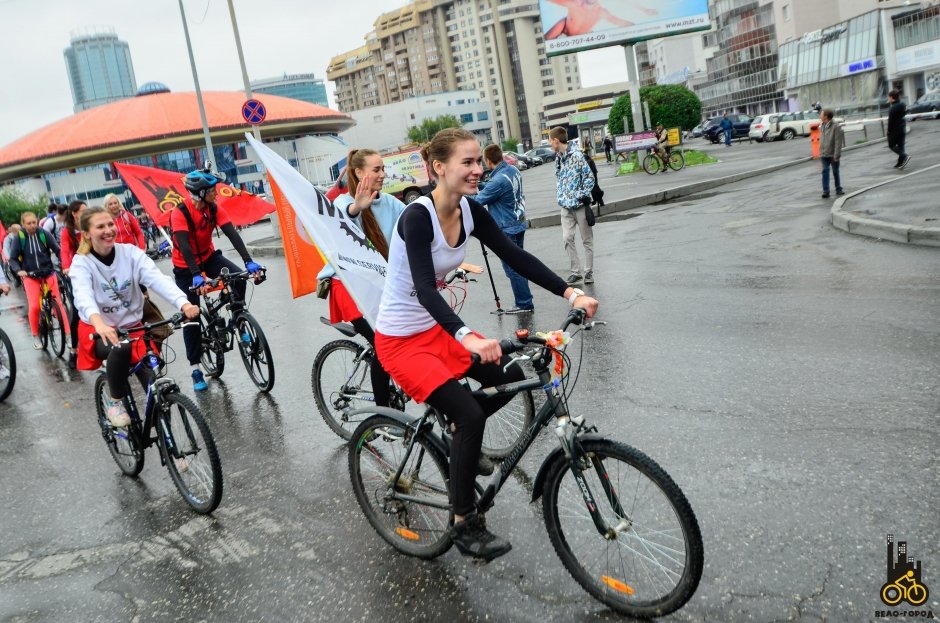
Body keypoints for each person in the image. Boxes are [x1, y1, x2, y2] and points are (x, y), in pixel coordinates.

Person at [373, 127, 599, 561]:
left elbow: (517, 257)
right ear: (439, 167)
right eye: (468, 163)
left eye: (480, 162)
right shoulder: (416, 217)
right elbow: (423, 288)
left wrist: (571, 294)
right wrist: (469, 336)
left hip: (436, 330)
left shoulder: (472, 211)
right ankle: (463, 523)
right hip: (402, 339)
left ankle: (458, 432)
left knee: (509, 377)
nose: (478, 170)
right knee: (470, 410)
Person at [70, 206, 200, 427]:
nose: (108, 230)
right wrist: (99, 322)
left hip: (134, 327)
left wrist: (183, 302)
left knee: (155, 387)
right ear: (87, 234)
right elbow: (83, 295)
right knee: (121, 347)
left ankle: (172, 452)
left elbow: (155, 278)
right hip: (99, 331)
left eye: (110, 224)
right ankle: (115, 402)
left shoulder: (129, 253)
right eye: (100, 226)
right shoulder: (82, 262)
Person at [316, 148, 406, 407]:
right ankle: (383, 414)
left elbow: (416, 222)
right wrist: (358, 207)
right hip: (347, 285)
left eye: (383, 169)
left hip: (377, 282)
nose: (382, 174)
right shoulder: (344, 204)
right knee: (382, 344)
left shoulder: (389, 203)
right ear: (359, 173)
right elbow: (343, 221)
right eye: (376, 169)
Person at [171, 165, 263, 391]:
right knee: (191, 316)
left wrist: (248, 262)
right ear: (200, 192)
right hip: (185, 267)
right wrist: (195, 275)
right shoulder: (179, 212)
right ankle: (195, 369)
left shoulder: (214, 209)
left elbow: (232, 234)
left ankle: (239, 320)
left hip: (209, 257)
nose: (216, 192)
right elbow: (184, 247)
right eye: (212, 189)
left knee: (238, 278)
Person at [470, 144, 533, 314]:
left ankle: (524, 303)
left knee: (513, 268)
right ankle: (525, 300)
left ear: (487, 160)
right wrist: (481, 184)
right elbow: (493, 188)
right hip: (518, 222)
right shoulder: (512, 170)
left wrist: (463, 193)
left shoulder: (498, 181)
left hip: (507, 227)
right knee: (521, 264)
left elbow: (477, 201)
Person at [7, 212, 71, 350]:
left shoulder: (44, 234)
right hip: (30, 275)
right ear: (23, 224)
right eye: (28, 223)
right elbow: (12, 258)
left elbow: (58, 250)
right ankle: (36, 335)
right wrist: (19, 270)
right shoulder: (20, 238)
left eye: (34, 222)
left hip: (48, 272)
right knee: (35, 306)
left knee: (58, 304)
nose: (32, 226)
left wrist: (65, 264)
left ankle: (68, 335)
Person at [549, 126, 595, 285]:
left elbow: (589, 178)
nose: (550, 144)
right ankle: (576, 272)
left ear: (556, 140)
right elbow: (559, 178)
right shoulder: (558, 158)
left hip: (580, 205)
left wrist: (580, 194)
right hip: (565, 206)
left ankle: (588, 272)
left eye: (550, 141)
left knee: (586, 240)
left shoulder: (577, 156)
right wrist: (561, 196)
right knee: (567, 238)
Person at [60, 200, 87, 368]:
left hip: (94, 270)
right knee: (77, 312)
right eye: (83, 210)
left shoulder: (89, 225)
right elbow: (65, 250)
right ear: (74, 213)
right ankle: (74, 349)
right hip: (76, 273)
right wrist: (66, 267)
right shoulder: (67, 231)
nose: (86, 212)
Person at [544, 0, 654, 39]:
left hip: (582, 39)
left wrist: (641, 27)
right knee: (562, 23)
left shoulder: (601, 12)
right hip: (562, 36)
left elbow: (618, 21)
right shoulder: (574, 3)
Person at [818, 109, 845, 199]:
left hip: (833, 154)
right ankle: (826, 191)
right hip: (823, 154)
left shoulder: (836, 127)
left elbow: (838, 142)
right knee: (825, 171)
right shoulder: (822, 125)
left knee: (835, 171)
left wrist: (836, 155)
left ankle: (838, 188)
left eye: (821, 114)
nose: (820, 116)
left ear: (826, 116)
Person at [887, 90, 910, 170]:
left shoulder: (892, 108)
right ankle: (900, 163)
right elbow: (906, 111)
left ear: (892, 98)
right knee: (901, 146)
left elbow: (891, 121)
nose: (888, 99)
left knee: (891, 145)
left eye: (889, 97)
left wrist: (889, 131)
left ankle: (905, 156)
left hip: (895, 130)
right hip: (902, 128)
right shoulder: (902, 104)